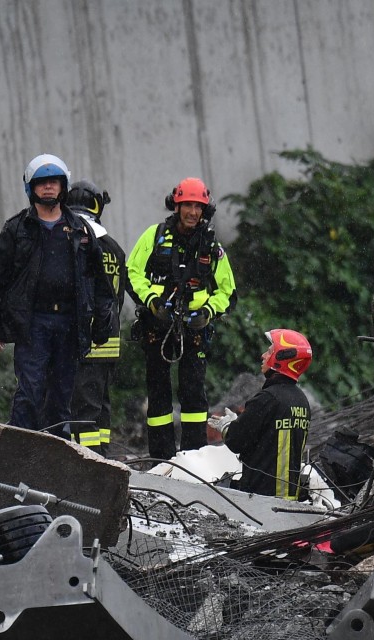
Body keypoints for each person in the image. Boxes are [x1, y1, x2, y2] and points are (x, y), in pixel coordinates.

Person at [0, 154, 111, 434]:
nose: (48, 187)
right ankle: (19, 446)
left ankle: (56, 451)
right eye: (42, 183)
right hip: (33, 324)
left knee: (62, 396)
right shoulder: (16, 229)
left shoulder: (81, 230)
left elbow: (100, 283)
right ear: (31, 187)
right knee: (29, 392)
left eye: (54, 182)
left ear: (63, 186)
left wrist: (101, 324)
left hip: (69, 323)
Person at [126, 177, 236, 460]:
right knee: (158, 391)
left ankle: (194, 457)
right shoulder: (155, 236)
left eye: (198, 207)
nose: (192, 212)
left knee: (194, 392)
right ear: (176, 205)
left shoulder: (211, 247)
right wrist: (153, 302)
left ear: (205, 210)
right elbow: (132, 273)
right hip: (157, 324)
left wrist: (207, 313)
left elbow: (228, 291)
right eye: (187, 205)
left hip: (195, 329)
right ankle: (161, 458)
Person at [210, 329, 312, 500]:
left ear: (281, 358)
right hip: (290, 498)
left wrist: (227, 426)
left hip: (260, 498)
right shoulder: (301, 400)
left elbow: (237, 441)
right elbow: (268, 436)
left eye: (270, 351)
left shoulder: (268, 398)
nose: (263, 355)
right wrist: (240, 422)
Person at [65, 179, 127, 455]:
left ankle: (90, 462)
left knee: (83, 411)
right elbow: (117, 298)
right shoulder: (114, 248)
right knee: (100, 406)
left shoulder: (75, 243)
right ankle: (103, 455)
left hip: (85, 340)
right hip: (108, 341)